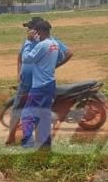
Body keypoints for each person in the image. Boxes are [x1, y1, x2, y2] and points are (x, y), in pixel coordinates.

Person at [6, 17, 73, 145]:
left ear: (38, 30)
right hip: (27, 82)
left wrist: (53, 66)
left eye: (31, 28)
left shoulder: (46, 42)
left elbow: (68, 53)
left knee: (30, 114)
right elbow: (20, 57)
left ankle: (31, 142)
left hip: (38, 84)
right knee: (19, 109)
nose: (28, 31)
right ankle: (12, 137)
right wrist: (19, 73)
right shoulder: (34, 41)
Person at [20, 20, 60, 149]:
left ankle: (27, 142)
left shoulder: (42, 45)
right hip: (50, 83)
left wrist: (28, 42)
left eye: (35, 32)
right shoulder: (54, 44)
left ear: (40, 32)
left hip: (39, 85)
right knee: (44, 114)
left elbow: (26, 59)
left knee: (27, 115)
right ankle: (45, 142)